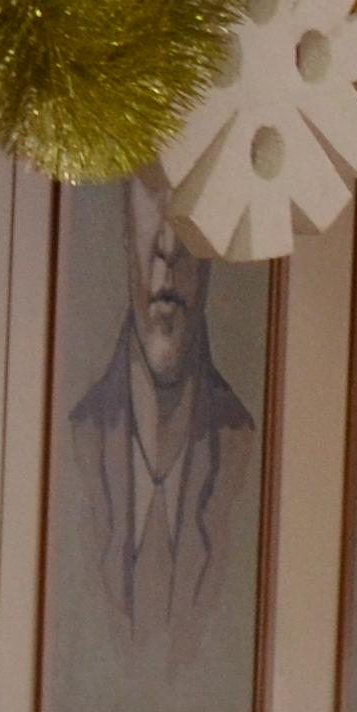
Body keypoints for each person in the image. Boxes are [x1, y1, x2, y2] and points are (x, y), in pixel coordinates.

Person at [65, 169, 258, 650]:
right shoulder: (75, 440)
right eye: (153, 198)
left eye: (193, 196)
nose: (168, 248)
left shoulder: (246, 448)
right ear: (125, 226)